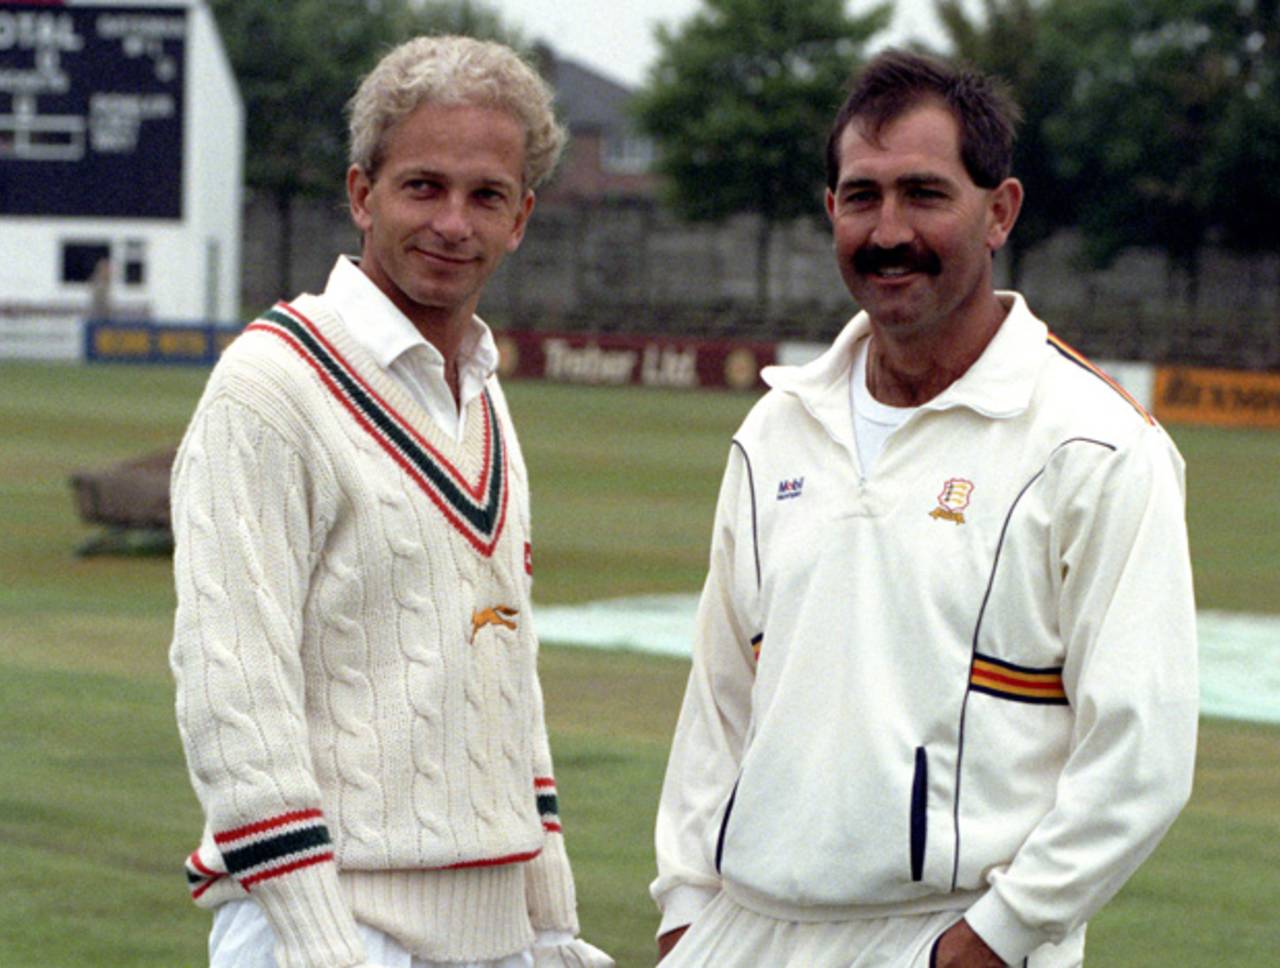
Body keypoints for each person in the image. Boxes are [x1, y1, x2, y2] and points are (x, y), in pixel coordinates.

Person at [651, 49, 1198, 968]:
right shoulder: (776, 430)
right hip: (741, 936)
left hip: (944, 938)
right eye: (861, 197)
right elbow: (718, 708)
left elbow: (1141, 754)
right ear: (831, 211)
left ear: (1000, 212)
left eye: (925, 194)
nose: (888, 230)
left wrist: (997, 938)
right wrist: (685, 914)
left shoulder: (1096, 446)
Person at [169, 35, 612, 968]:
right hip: (332, 926)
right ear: (363, 193)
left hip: (494, 928)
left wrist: (551, 919)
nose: (454, 222)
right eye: (423, 186)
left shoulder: (481, 393)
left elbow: (504, 675)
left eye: (486, 195)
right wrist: (322, 945)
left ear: (522, 217)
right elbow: (232, 688)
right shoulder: (270, 384)